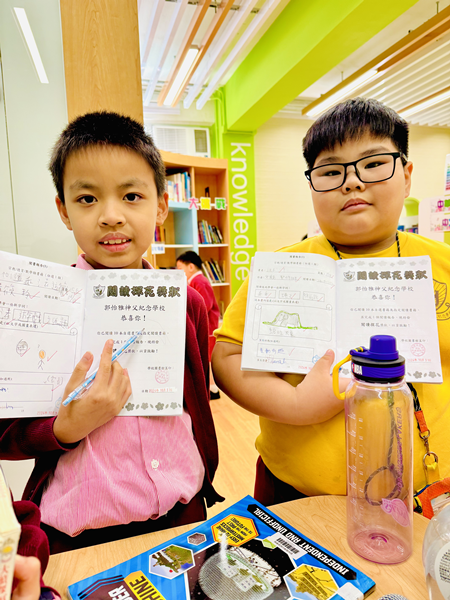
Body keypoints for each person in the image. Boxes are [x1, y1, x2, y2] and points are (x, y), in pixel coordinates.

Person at [0, 112, 222, 553]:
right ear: (63, 210)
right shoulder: (40, 307)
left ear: (161, 205)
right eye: (87, 199)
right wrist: (64, 428)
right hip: (80, 535)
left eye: (132, 196)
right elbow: (6, 433)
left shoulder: (188, 303)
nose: (111, 216)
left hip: (182, 516)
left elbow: (196, 402)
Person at [212, 98, 450, 508]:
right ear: (311, 185)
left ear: (407, 176)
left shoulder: (442, 263)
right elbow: (228, 357)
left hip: (429, 493)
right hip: (296, 492)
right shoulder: (282, 269)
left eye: (374, 164)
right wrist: (296, 404)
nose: (352, 182)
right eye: (330, 171)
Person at [176, 251, 221, 399]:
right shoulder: (196, 281)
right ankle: (211, 389)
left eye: (180, 268)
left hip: (207, 327)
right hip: (204, 325)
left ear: (190, 267)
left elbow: (205, 305)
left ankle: (212, 389)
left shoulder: (199, 281)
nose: (178, 272)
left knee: (207, 359)